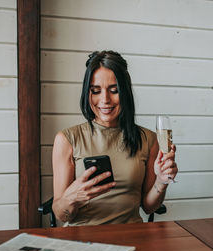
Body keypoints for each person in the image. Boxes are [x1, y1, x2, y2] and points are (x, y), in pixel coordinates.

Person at [52, 50, 178, 226]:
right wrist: (71, 198)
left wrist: (161, 181)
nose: (105, 100)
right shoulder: (67, 139)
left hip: (132, 237)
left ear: (125, 92)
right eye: (96, 91)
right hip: (84, 240)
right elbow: (61, 215)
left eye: (114, 90)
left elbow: (149, 207)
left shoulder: (149, 139)